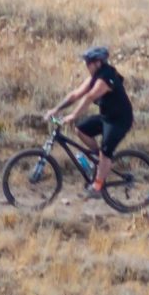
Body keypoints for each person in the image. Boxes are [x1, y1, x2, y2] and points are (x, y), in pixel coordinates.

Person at [42, 45, 133, 197]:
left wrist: (73, 115)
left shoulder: (106, 78)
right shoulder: (95, 77)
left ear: (98, 63)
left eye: (88, 63)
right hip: (106, 117)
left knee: (106, 152)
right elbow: (75, 94)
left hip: (119, 121)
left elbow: (90, 97)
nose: (86, 66)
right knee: (81, 130)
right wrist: (55, 109)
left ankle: (98, 186)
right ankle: (99, 162)